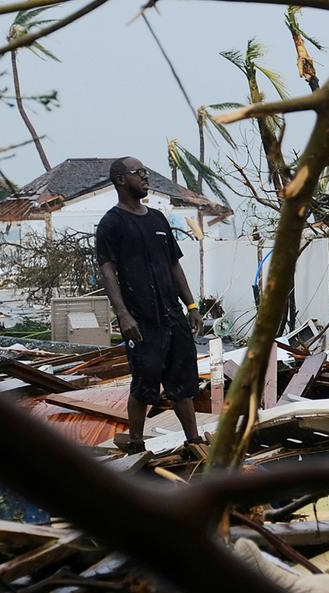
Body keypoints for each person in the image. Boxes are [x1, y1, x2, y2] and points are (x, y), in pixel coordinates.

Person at [96, 157, 203, 453]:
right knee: (144, 383)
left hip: (172, 316)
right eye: (138, 173)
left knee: (182, 382)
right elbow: (108, 272)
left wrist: (191, 305)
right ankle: (136, 445)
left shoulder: (158, 219)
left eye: (145, 172)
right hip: (142, 321)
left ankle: (194, 441)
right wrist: (123, 315)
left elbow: (174, 266)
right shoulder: (111, 223)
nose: (145, 178)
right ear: (120, 179)